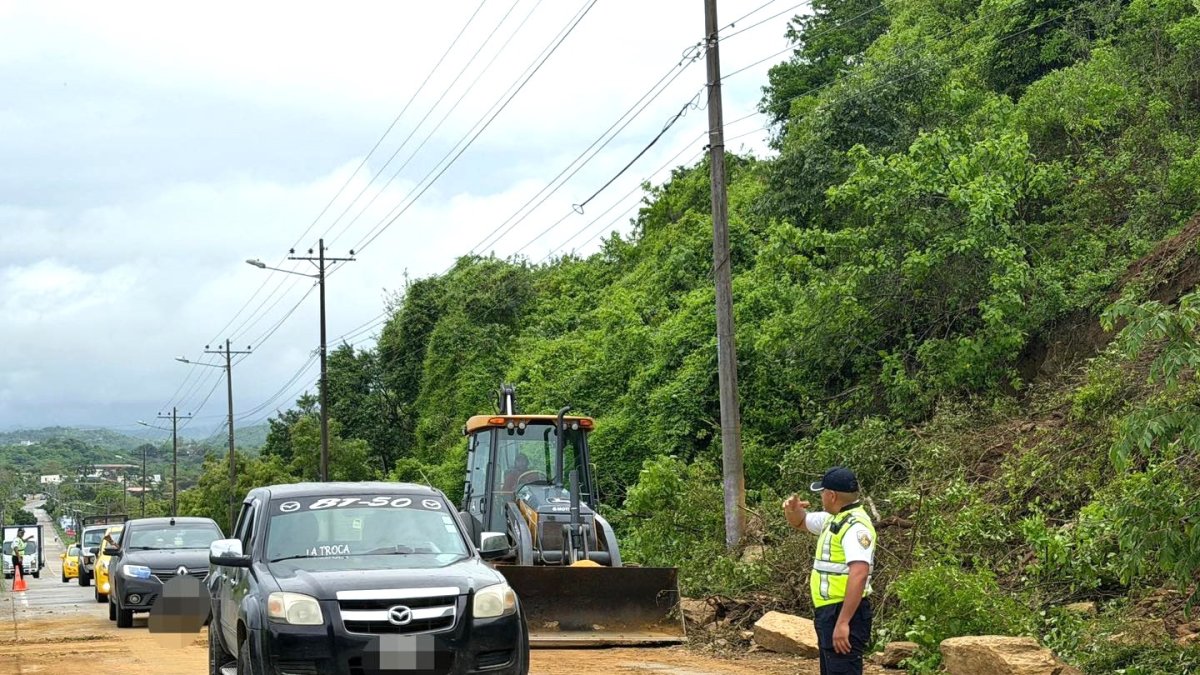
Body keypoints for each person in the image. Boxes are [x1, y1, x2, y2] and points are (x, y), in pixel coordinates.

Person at [782, 467, 876, 675]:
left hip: (845, 612)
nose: (821, 497)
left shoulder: (855, 527)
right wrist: (792, 509)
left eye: (822, 492)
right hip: (830, 610)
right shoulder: (833, 519)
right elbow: (800, 521)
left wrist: (843, 622)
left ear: (832, 495)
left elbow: (859, 574)